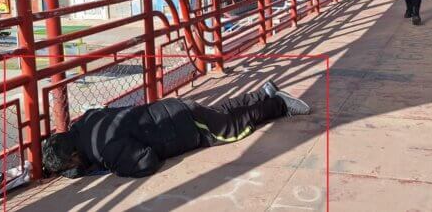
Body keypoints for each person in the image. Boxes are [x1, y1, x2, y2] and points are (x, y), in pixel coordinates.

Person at [41, 81, 310, 178]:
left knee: (233, 129)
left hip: (183, 126)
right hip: (171, 110)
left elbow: (146, 161)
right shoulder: (86, 120)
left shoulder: (108, 152)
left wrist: (115, 169)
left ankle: (278, 104)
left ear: (75, 158)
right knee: (223, 113)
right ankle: (263, 93)